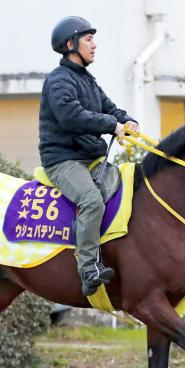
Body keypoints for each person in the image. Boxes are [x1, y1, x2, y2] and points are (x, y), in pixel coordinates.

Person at [39, 16, 139, 296]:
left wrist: (128, 121)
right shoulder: (58, 80)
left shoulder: (88, 80)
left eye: (93, 39)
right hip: (64, 160)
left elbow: (109, 109)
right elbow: (71, 117)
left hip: (89, 157)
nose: (95, 45)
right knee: (92, 200)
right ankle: (88, 269)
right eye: (88, 39)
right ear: (70, 44)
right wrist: (112, 125)